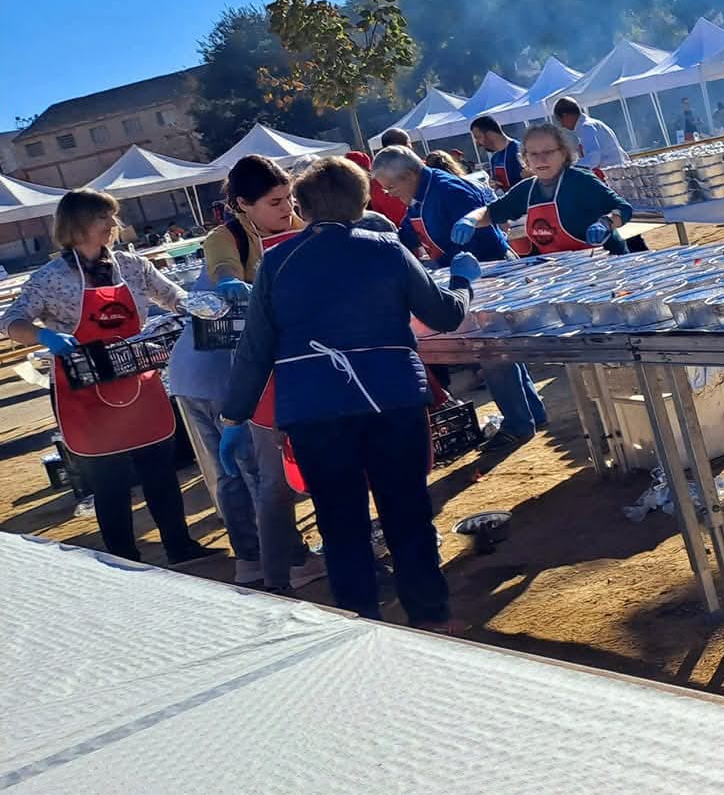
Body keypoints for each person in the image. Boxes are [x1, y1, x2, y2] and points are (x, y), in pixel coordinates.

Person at [221, 157, 477, 631]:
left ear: (300, 205)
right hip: (391, 402)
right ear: (363, 203)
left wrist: (234, 420)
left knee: (341, 526)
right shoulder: (387, 250)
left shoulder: (276, 263)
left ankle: (363, 625)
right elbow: (444, 315)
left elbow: (254, 349)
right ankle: (432, 619)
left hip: (315, 413)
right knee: (408, 515)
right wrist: (463, 280)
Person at [3, 190, 218, 563]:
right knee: (109, 481)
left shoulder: (132, 266)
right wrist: (43, 335)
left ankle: (180, 547)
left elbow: (173, 296)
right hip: (83, 389)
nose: (114, 226)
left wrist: (204, 307)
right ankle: (122, 557)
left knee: (160, 471)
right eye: (105, 217)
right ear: (78, 223)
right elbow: (11, 321)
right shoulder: (50, 278)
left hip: (137, 378)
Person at [183, 155, 322, 591]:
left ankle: (267, 563)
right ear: (244, 204)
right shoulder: (225, 238)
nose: (286, 209)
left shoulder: (295, 228)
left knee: (259, 473)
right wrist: (230, 283)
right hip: (215, 370)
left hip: (262, 367)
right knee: (250, 475)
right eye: (276, 201)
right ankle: (280, 563)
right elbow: (223, 268)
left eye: (289, 198)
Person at [373, 146, 546, 449]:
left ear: (410, 174)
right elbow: (407, 235)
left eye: (391, 187)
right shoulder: (417, 196)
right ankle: (531, 413)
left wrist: (466, 277)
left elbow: (487, 239)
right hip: (463, 275)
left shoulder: (449, 190)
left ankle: (519, 424)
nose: (388, 194)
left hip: (489, 272)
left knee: (490, 349)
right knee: (499, 350)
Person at [452, 122, 635, 256]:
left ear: (563, 153)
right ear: (525, 159)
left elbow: (623, 208)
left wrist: (607, 222)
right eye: (533, 154)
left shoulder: (581, 181)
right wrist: (470, 220)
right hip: (565, 272)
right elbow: (493, 212)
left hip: (607, 264)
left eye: (548, 152)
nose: (541, 159)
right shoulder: (527, 190)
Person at [551, 96, 626, 170]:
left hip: (612, 174)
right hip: (615, 171)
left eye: (560, 120)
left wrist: (570, 168)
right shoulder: (593, 124)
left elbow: (593, 159)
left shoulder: (586, 128)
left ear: (565, 115)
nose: (562, 125)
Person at [470, 115, 524, 193]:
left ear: (489, 134)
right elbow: (497, 185)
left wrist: (503, 190)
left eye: (478, 137)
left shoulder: (518, 150)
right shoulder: (494, 158)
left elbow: (530, 183)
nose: (477, 143)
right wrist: (493, 184)